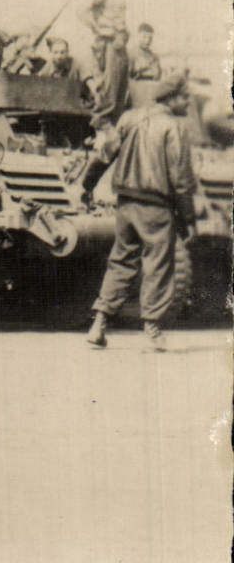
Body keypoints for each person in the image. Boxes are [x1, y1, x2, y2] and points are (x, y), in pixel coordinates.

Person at [84, 68, 197, 351]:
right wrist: (189, 219)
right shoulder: (174, 128)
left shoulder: (129, 118)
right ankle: (153, 328)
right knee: (159, 264)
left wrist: (86, 184)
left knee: (121, 261)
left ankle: (99, 323)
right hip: (156, 208)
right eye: (185, 98)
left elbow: (104, 154)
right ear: (171, 98)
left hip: (125, 205)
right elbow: (181, 180)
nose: (188, 104)